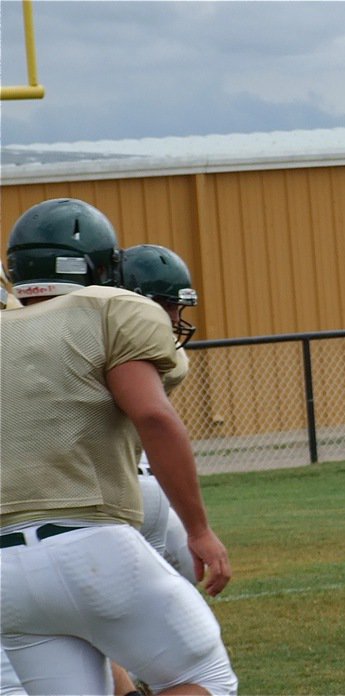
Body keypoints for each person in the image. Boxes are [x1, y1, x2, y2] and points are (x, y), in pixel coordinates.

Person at [0, 198, 237, 695]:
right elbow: (152, 414)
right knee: (205, 677)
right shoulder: (110, 309)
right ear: (100, 266)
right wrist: (198, 529)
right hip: (89, 538)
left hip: (7, 573)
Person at [122, 243, 202, 583]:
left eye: (176, 305)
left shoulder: (157, 355)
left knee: (185, 566)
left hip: (140, 474)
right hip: (101, 490)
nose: (173, 317)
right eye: (165, 304)